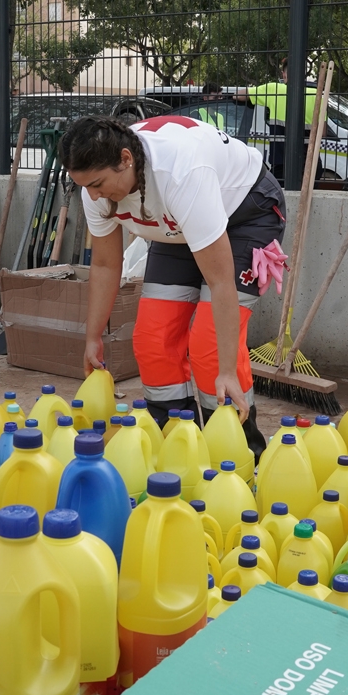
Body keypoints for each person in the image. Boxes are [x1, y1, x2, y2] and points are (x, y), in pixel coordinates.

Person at [64, 114, 283, 452]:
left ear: (126, 159)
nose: (93, 197)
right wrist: (92, 337)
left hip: (246, 212)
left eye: (97, 184)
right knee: (154, 337)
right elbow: (107, 264)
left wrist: (226, 372)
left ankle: (237, 454)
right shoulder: (95, 190)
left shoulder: (180, 175)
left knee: (210, 349)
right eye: (85, 187)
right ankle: (178, 446)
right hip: (175, 226)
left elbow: (221, 281)